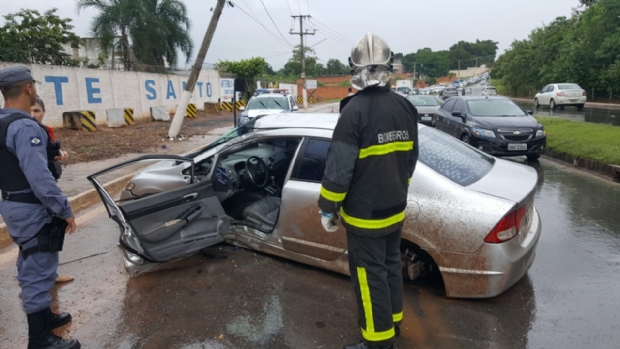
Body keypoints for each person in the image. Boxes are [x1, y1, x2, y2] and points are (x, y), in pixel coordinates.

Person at [318, 33, 419, 349]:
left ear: (354, 69)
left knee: (368, 277)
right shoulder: (405, 107)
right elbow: (411, 161)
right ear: (390, 67)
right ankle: (393, 325)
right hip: (395, 209)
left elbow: (338, 171)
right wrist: (399, 190)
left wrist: (328, 208)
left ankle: (377, 342)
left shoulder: (353, 113)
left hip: (365, 217)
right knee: (390, 267)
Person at [0, 66, 80, 349]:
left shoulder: (3, 121)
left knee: (29, 256)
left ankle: (44, 316)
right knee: (39, 268)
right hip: (31, 206)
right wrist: (64, 209)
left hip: (12, 203)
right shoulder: (24, 126)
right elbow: (39, 177)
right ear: (28, 89)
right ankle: (40, 339)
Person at [31, 96, 74, 284]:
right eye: (30, 110)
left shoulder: (46, 131)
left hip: (48, 185)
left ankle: (45, 274)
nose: (33, 115)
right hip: (36, 191)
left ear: (44, 112)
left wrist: (57, 155)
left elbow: (47, 154)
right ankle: (36, 277)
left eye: (37, 111)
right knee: (38, 236)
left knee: (48, 233)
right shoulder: (21, 131)